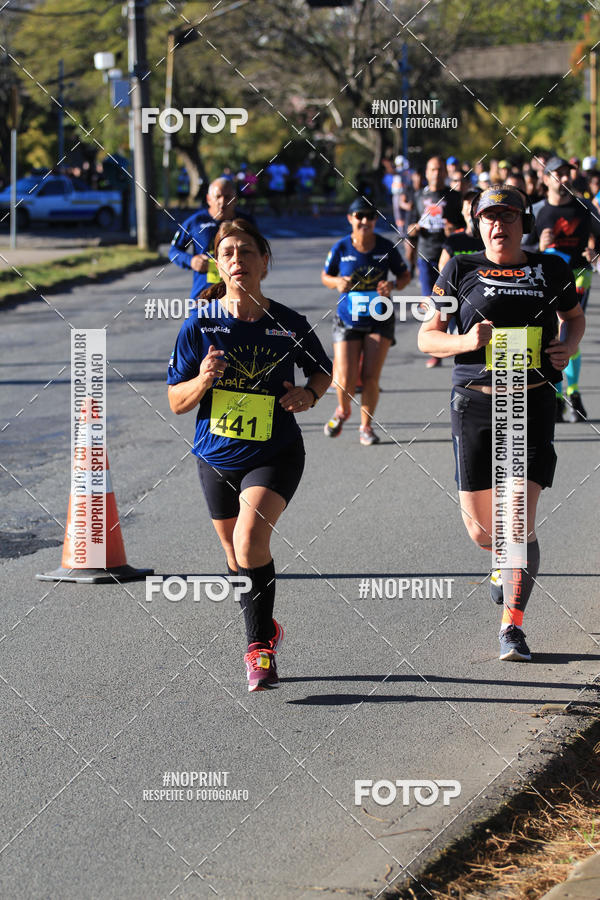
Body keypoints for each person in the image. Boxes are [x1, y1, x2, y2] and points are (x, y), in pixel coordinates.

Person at [418, 187, 585, 661]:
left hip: (530, 402)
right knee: (482, 532)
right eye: (489, 217)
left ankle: (512, 626)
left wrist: (567, 347)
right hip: (475, 401)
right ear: (477, 224)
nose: (498, 225)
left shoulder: (549, 267)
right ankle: (501, 563)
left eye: (507, 216)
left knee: (516, 520)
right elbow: (427, 338)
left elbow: (572, 319)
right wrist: (466, 340)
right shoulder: (459, 268)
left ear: (522, 222)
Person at [167, 219, 332, 691]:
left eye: (246, 251)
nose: (237, 259)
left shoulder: (288, 322)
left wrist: (310, 396)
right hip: (215, 455)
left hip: (275, 451)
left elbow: (323, 370)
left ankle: (258, 647)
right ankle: (266, 625)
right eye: (228, 253)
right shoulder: (200, 324)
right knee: (236, 557)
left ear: (263, 260)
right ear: (218, 264)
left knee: (249, 540)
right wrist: (202, 379)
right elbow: (176, 402)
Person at [321, 197, 411, 445]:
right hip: (347, 318)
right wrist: (337, 282)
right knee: (345, 377)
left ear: (374, 221)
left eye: (369, 217)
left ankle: (366, 427)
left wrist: (392, 284)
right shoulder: (341, 247)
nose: (364, 221)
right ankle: (342, 410)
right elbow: (326, 276)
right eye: (359, 216)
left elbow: (405, 275)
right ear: (350, 219)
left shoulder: (385, 247)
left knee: (371, 377)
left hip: (378, 318)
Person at [523, 156, 600, 422]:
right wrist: (539, 248)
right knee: (553, 333)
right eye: (558, 174)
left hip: (578, 275)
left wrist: (594, 254)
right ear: (546, 179)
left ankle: (573, 394)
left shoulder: (584, 208)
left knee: (567, 327)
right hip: (547, 277)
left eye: (568, 174)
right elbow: (523, 249)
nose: (565, 179)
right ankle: (557, 396)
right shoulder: (537, 211)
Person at [407, 155, 464, 367]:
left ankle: (457, 343)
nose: (437, 173)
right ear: (426, 173)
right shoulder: (418, 196)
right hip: (426, 253)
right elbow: (409, 226)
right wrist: (413, 229)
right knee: (431, 303)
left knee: (453, 301)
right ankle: (437, 351)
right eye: (433, 169)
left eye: (440, 169)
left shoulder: (455, 197)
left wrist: (453, 229)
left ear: (445, 172)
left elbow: (465, 227)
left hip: (449, 255)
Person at [168, 178, 253, 300]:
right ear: (208, 199)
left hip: (239, 298)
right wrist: (191, 261)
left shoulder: (246, 222)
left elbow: (258, 253)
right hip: (204, 297)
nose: (222, 202)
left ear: (235, 199)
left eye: (228, 197)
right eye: (217, 197)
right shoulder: (196, 222)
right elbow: (174, 251)